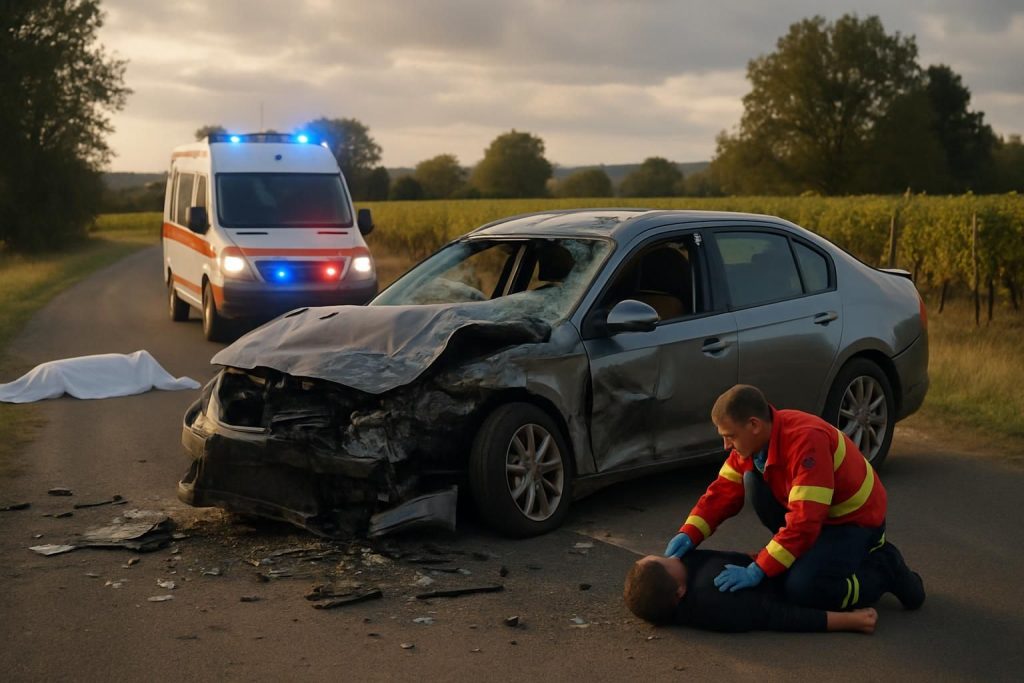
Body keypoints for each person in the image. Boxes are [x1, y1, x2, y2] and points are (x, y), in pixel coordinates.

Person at [663, 384, 924, 611]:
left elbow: (805, 522)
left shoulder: (806, 441)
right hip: (819, 516)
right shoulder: (755, 444)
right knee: (751, 480)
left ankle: (884, 570)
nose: (726, 445)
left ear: (753, 424)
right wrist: (689, 533)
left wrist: (760, 568)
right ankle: (802, 557)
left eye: (729, 436)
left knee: (805, 588)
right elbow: (721, 493)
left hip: (854, 522)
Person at [624, 549, 878, 633]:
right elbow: (779, 616)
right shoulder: (717, 600)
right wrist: (850, 621)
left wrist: (764, 558)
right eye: (666, 561)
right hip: (810, 587)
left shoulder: (677, 589)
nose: (672, 556)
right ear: (679, 592)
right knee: (878, 566)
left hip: (779, 565)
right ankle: (892, 574)